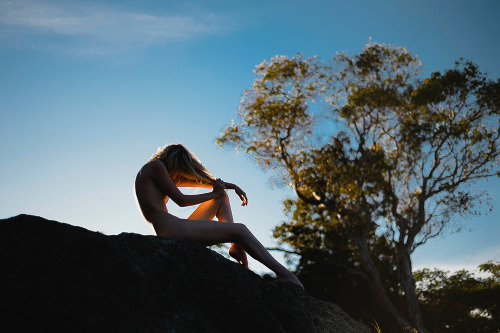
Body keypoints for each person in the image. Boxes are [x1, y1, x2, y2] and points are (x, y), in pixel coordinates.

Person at [134, 144, 303, 288]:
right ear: (175, 160)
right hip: (171, 231)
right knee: (240, 230)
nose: (179, 177)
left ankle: (235, 246)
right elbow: (181, 200)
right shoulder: (155, 167)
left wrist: (231, 186)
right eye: (181, 169)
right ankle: (284, 274)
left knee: (221, 197)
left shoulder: (154, 170)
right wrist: (214, 193)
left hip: (173, 229)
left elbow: (200, 181)